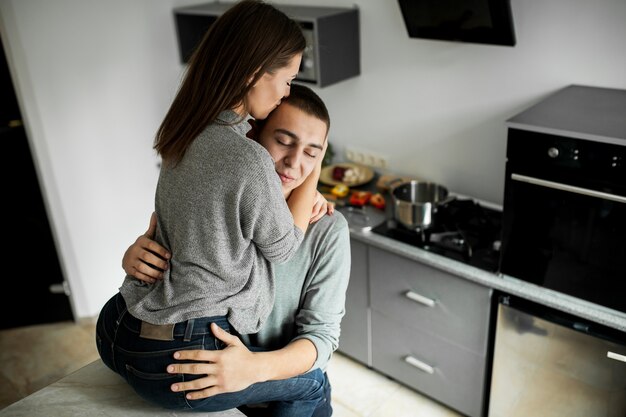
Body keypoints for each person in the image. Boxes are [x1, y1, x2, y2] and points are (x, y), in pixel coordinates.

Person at [96, 1, 332, 415]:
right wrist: (317, 165)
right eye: (286, 80)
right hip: (178, 359)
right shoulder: (247, 160)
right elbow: (283, 248)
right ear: (254, 74)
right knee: (313, 384)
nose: (286, 93)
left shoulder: (183, 131)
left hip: (116, 328)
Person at [121, 83, 351, 417]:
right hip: (209, 387)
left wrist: (254, 369)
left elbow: (322, 338)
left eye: (311, 154)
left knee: (314, 381)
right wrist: (136, 260)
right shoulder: (214, 199)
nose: (293, 163)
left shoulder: (328, 230)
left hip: (280, 394)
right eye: (283, 142)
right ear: (252, 138)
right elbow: (179, 286)